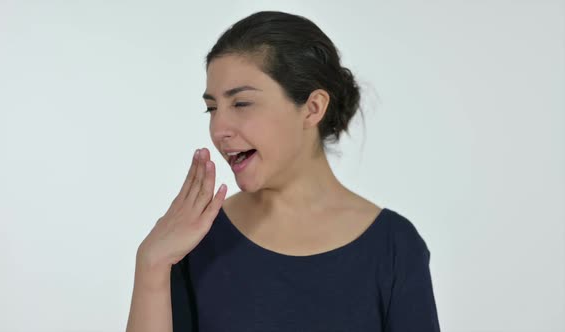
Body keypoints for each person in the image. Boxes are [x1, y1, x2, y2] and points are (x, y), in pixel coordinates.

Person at [126, 10, 440, 332]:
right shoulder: (196, 237)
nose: (218, 128)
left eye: (241, 103)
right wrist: (151, 265)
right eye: (212, 108)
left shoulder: (394, 248)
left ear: (313, 108)